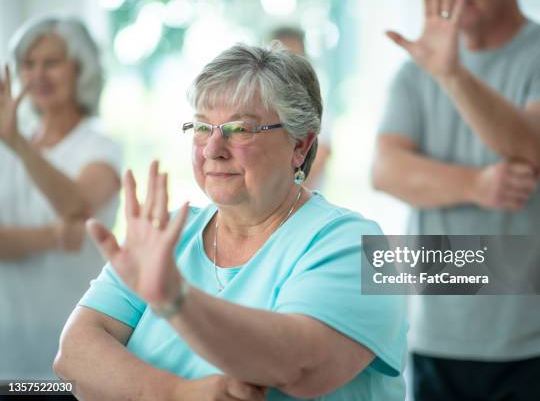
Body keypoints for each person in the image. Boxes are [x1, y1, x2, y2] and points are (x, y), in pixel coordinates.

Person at [54, 43, 407, 400]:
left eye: (240, 129)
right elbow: (75, 354)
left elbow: (299, 367)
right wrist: (176, 393)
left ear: (300, 145)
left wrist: (177, 300)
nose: (213, 149)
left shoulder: (356, 246)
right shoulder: (168, 233)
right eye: (203, 127)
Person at [372, 0, 540, 399]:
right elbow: (386, 171)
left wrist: (452, 75)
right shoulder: (416, 72)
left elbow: (530, 145)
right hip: (438, 340)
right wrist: (475, 185)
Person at [0, 16, 122, 386]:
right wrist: (54, 237)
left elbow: (76, 207)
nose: (38, 75)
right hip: (7, 349)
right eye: (29, 63)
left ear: (80, 69)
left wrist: (19, 143)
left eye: (51, 62)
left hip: (75, 350)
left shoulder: (99, 146)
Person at [269, 26, 333, 189]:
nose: (285, 66)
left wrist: (287, 196)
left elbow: (322, 153)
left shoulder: (315, 105)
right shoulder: (260, 104)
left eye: (293, 57)